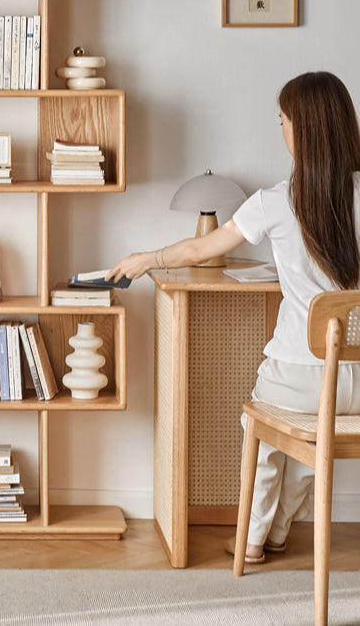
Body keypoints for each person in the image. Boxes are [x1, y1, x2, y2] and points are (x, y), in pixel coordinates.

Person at [107, 71, 360, 563]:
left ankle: (252, 540)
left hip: (299, 375)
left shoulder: (277, 202)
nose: (280, 128)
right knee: (317, 433)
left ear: (303, 131)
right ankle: (282, 530)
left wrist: (146, 258)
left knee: (267, 432)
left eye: (283, 120)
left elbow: (201, 250)